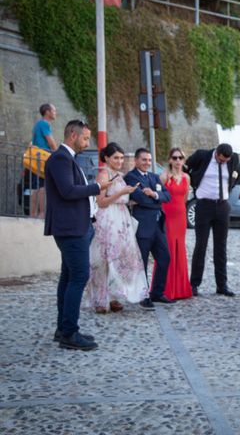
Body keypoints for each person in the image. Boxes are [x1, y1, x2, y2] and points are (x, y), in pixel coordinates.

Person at [45, 119, 110, 350]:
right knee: (79, 277)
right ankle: (69, 333)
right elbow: (68, 191)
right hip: (71, 229)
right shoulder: (61, 158)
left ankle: (64, 328)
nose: (87, 142)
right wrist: (97, 187)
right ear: (73, 135)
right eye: (85, 138)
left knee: (68, 277)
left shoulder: (67, 159)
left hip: (75, 227)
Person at [85, 142, 148, 313]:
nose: (120, 161)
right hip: (108, 220)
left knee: (119, 258)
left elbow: (122, 199)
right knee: (105, 259)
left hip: (122, 220)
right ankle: (101, 299)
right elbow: (101, 202)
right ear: (107, 158)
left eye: (121, 158)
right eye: (116, 158)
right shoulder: (104, 175)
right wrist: (121, 193)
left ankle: (114, 296)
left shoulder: (119, 176)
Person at [184, 143, 240, 297]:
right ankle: (194, 284)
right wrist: (194, 184)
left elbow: (238, 174)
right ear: (217, 153)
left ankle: (222, 285)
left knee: (221, 247)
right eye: (221, 160)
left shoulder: (233, 159)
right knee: (200, 245)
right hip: (204, 205)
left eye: (226, 161)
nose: (223, 163)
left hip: (222, 205)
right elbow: (185, 167)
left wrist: (230, 185)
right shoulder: (203, 155)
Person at [124, 148, 175, 308]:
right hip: (143, 226)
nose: (147, 163)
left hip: (158, 226)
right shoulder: (131, 177)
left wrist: (153, 195)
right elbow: (139, 198)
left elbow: (168, 196)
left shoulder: (154, 177)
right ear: (136, 161)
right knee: (142, 262)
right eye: (144, 160)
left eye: (149, 160)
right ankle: (143, 295)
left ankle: (157, 293)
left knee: (165, 258)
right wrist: (155, 200)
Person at [156, 147, 192, 300]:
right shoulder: (164, 176)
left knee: (180, 250)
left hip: (181, 217)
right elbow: (159, 197)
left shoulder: (187, 177)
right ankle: (166, 288)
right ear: (170, 160)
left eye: (181, 158)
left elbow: (184, 199)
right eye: (175, 158)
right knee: (168, 250)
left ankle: (181, 289)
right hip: (168, 217)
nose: (178, 161)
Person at [30, 103, 58, 218]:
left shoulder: (38, 124)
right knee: (42, 186)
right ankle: (42, 214)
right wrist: (59, 154)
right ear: (47, 112)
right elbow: (50, 142)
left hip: (35, 158)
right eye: (54, 110)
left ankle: (32, 214)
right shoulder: (44, 124)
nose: (55, 113)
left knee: (35, 187)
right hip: (42, 158)